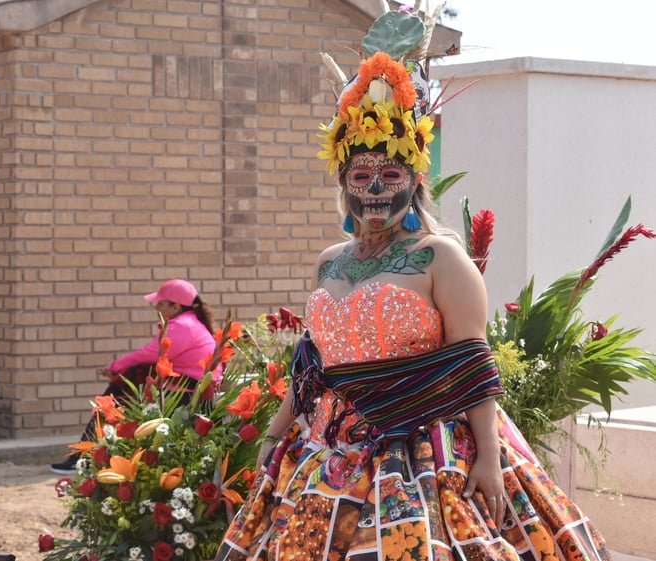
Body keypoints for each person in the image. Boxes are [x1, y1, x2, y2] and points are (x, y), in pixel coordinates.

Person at [214, 7, 611, 561]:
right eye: (360, 176)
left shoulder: (441, 257)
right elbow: (312, 362)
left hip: (428, 453)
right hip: (327, 452)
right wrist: (277, 433)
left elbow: (473, 365)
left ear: (415, 180)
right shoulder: (329, 263)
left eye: (391, 175)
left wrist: (489, 460)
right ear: (343, 183)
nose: (375, 188)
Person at [50, 278, 218, 475]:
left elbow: (151, 354)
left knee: (116, 394)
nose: (156, 307)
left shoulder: (183, 326)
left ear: (175, 306)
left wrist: (116, 366)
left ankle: (84, 456)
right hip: (186, 385)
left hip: (190, 391)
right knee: (124, 386)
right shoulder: (188, 322)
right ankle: (91, 455)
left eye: (161, 303)